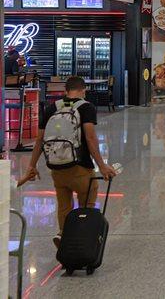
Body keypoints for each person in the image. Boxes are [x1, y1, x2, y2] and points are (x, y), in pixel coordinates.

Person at [19, 77, 117, 248]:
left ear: (65, 91)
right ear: (83, 90)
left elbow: (40, 140)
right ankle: (81, 240)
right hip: (80, 167)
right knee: (87, 204)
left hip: (57, 168)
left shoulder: (51, 108)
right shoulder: (86, 107)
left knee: (64, 206)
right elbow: (90, 137)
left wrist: (32, 166)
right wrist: (101, 165)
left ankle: (63, 234)